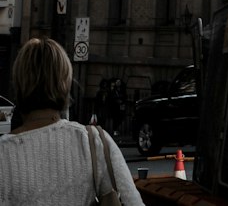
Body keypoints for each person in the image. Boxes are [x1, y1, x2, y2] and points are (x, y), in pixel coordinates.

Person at [0, 37, 143, 205]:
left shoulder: (4, 154)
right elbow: (132, 202)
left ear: (18, 83)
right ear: (65, 82)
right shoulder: (94, 142)